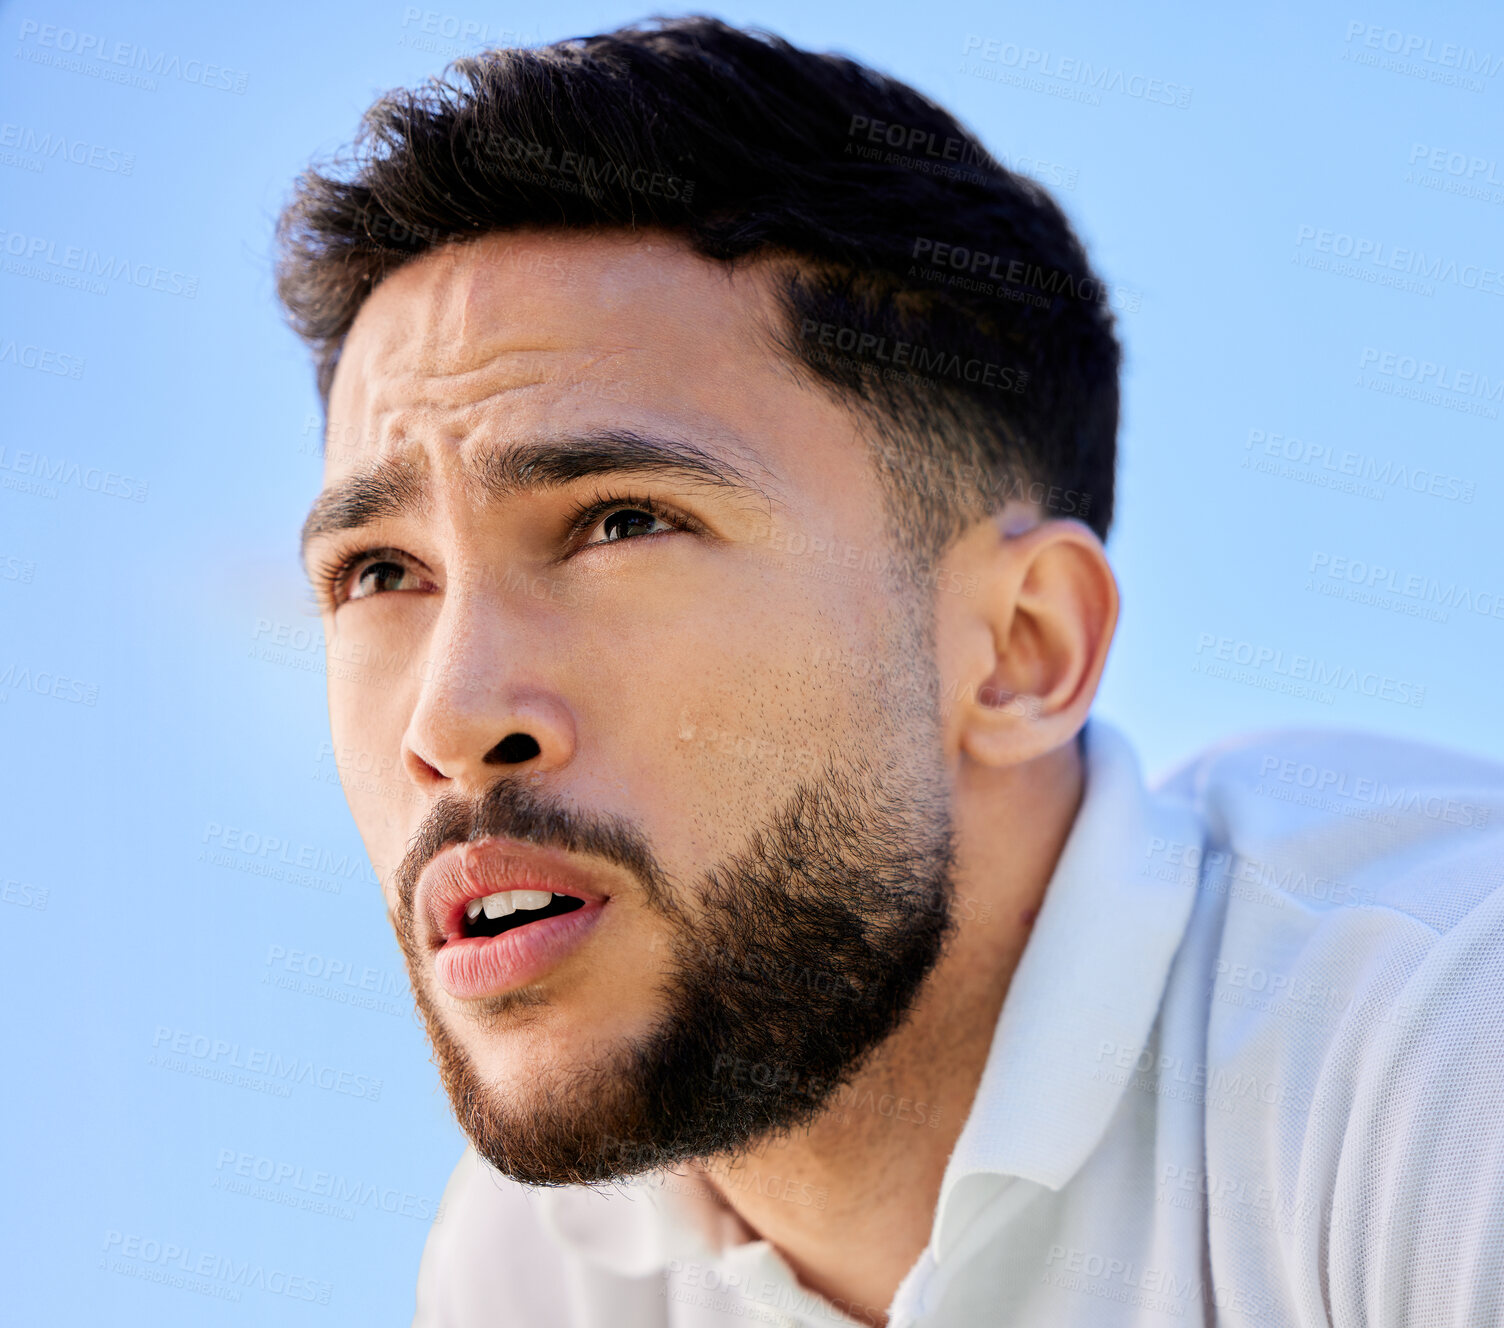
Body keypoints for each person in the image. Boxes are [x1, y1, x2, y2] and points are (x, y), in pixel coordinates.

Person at [276, 17, 1504, 1327]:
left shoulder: (1434, 1061)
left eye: (624, 521)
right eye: (380, 573)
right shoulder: (542, 1270)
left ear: (1021, 649)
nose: (451, 721)